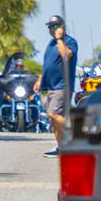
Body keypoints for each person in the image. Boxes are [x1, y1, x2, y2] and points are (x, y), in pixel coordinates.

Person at [40, 15, 77, 158]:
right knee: (54, 121)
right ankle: (62, 148)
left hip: (62, 86)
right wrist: (39, 80)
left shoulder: (69, 41)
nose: (51, 29)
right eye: (49, 26)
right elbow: (48, 64)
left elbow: (66, 55)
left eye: (54, 25)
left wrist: (60, 39)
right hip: (50, 87)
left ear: (62, 26)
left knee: (53, 114)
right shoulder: (51, 44)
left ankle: (76, 136)